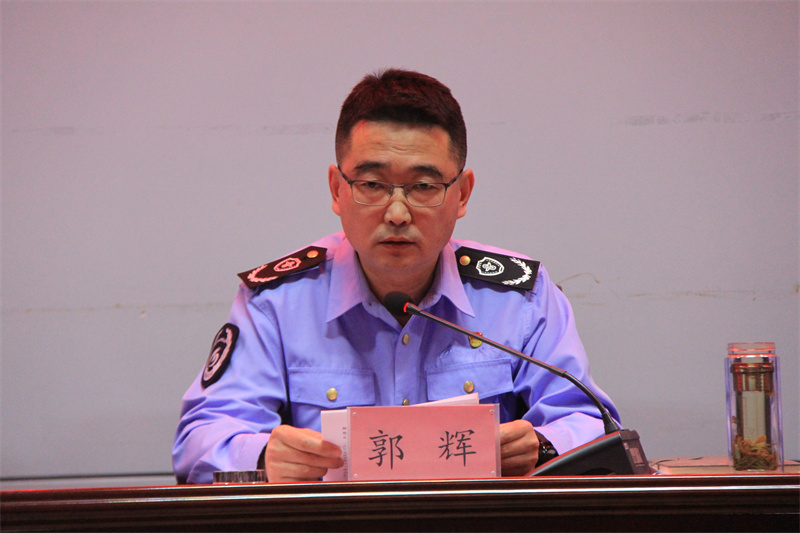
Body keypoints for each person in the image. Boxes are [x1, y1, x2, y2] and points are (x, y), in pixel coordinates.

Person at [173, 69, 619, 484]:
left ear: (462, 194)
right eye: (372, 185)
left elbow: (593, 424)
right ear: (337, 189)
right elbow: (200, 440)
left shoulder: (519, 298)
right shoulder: (276, 302)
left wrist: (542, 447)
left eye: (424, 187)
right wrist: (262, 458)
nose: (398, 213)